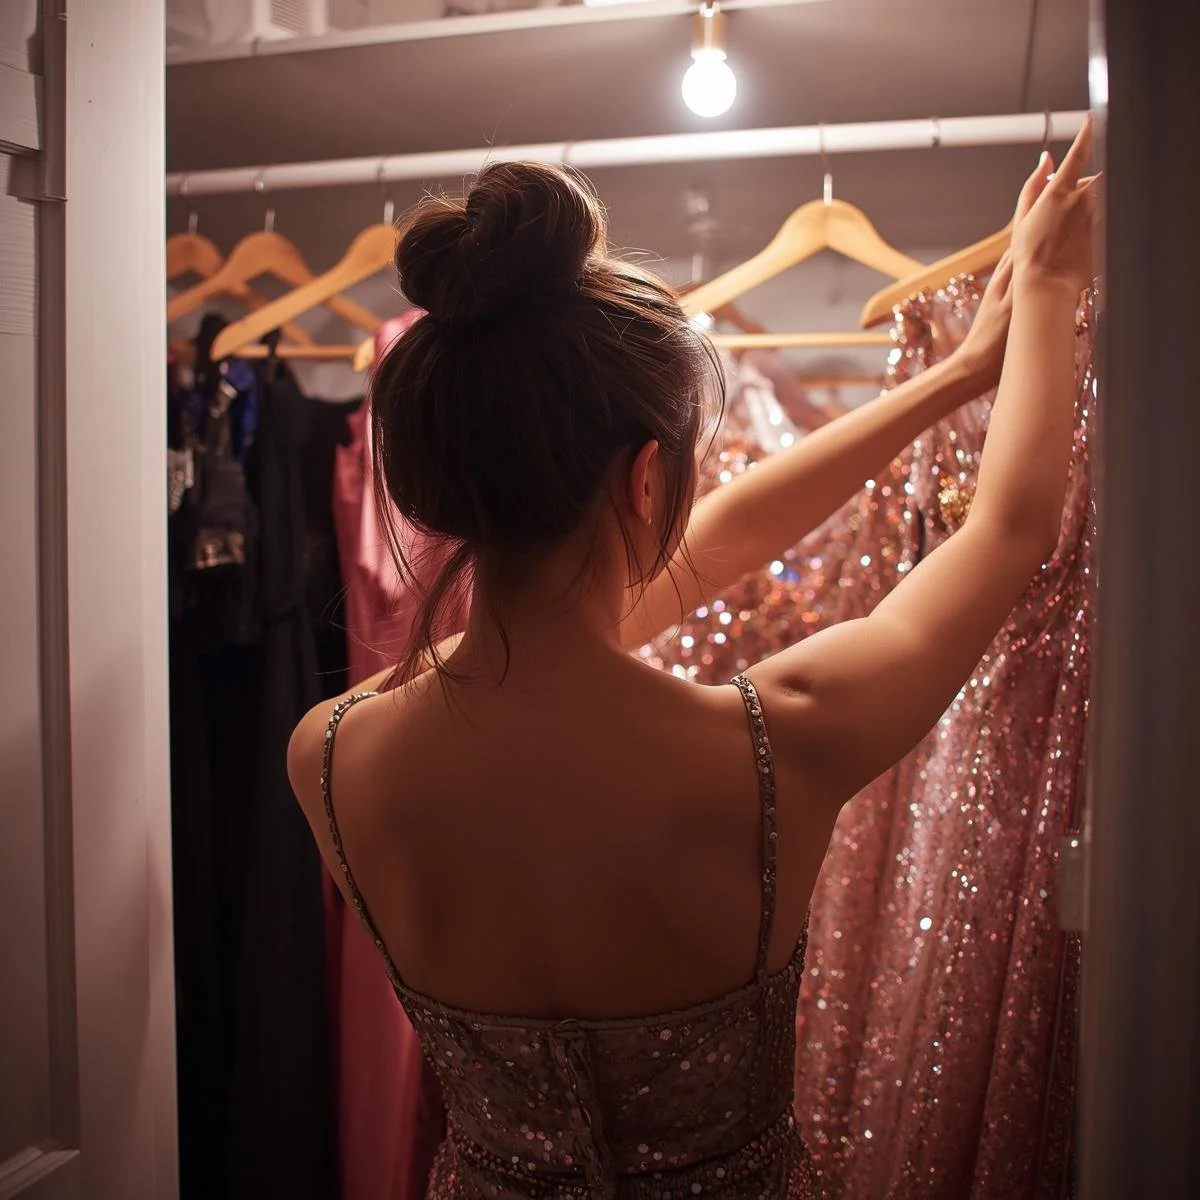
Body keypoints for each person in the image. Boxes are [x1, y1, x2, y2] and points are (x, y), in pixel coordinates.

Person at [289, 116, 1098, 1199]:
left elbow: (706, 549)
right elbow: (1008, 532)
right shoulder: (774, 748)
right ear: (643, 481)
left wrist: (956, 376)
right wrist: (1046, 288)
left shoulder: (331, 754)